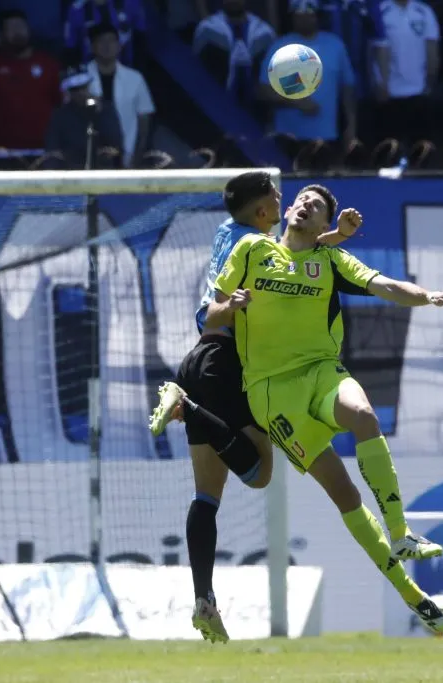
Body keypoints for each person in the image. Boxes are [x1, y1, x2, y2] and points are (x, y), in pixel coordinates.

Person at [209, 184, 443, 635]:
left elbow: (384, 284)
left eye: (318, 207)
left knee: (364, 415)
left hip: (322, 371)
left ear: (324, 225)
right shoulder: (251, 249)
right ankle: (416, 598)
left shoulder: (330, 260)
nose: (307, 205)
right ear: (289, 210)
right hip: (271, 393)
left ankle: (401, 533)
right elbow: (210, 313)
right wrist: (229, 307)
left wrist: (426, 295)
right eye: (303, 200)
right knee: (345, 494)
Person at [147, 171, 356, 643]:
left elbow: (296, 240)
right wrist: (335, 235)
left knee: (207, 496)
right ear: (264, 213)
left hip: (196, 359)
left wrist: (329, 233)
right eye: (278, 198)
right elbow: (299, 248)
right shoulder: (260, 250)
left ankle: (204, 600)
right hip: (227, 364)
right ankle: (188, 408)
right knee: (260, 472)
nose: (285, 204)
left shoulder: (226, 234)